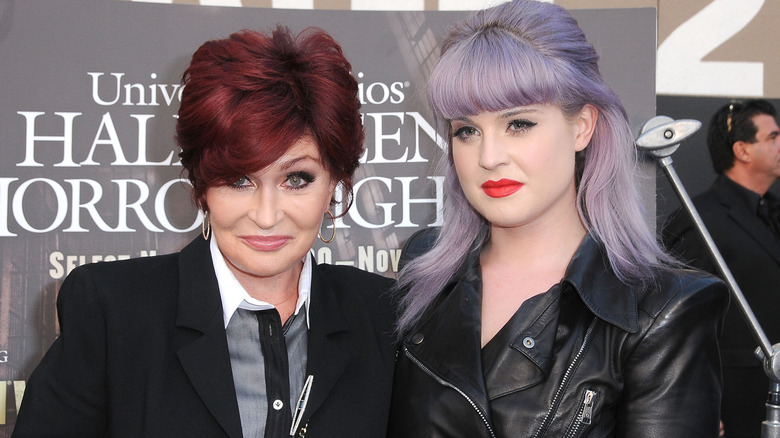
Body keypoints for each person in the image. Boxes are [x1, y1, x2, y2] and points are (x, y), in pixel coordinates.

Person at [13, 26, 396, 438]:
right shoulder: (112, 312)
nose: (267, 216)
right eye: (239, 180)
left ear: (334, 183)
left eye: (297, 179)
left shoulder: (385, 317)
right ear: (201, 186)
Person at [387, 1, 729, 437]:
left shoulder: (662, 309)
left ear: (582, 126)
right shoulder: (424, 269)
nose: (488, 157)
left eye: (518, 124)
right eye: (466, 131)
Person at [663, 99, 780, 438]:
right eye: (773, 137)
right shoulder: (699, 219)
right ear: (742, 150)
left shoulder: (773, 212)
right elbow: (678, 321)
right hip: (732, 406)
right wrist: (693, 402)